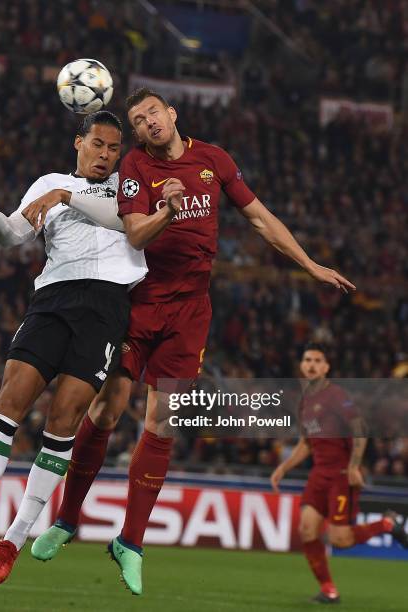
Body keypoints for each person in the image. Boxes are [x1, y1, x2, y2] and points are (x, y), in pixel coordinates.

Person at [24, 88, 356, 595]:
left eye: (153, 112)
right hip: (137, 302)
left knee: (163, 422)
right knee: (109, 408)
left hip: (191, 313)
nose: (148, 122)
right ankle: (67, 518)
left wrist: (310, 265)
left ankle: (129, 543)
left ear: (172, 114)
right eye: (139, 119)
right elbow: (135, 234)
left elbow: (261, 219)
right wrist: (168, 211)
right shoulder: (135, 165)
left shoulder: (214, 159)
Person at [0, 111, 148, 588]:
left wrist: (68, 197)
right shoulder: (46, 182)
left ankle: (11, 542)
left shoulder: (130, 188)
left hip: (107, 305)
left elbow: (127, 224)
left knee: (65, 418)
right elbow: (12, 235)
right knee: (9, 400)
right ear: (79, 142)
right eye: (98, 144)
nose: (106, 155)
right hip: (54, 298)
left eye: (114, 148)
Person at [270, 343, 408, 604]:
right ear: (301, 365)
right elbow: (306, 443)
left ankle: (387, 524)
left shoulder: (335, 396)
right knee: (307, 530)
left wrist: (354, 466)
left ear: (326, 367)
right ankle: (329, 590)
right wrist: (283, 468)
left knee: (340, 540)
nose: (311, 364)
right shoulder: (305, 401)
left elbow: (360, 429)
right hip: (318, 475)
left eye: (317, 360)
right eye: (307, 359)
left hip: (341, 475)